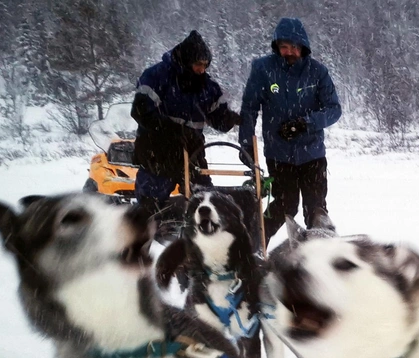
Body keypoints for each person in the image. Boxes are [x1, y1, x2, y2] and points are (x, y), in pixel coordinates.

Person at [238, 18, 341, 245]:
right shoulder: (263, 69)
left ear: (303, 47)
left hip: (312, 154)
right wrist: (246, 143)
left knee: (316, 210)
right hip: (279, 154)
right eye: (284, 47)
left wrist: (305, 123)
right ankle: (253, 245)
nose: (290, 52)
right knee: (285, 206)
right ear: (277, 47)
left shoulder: (317, 72)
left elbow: (334, 109)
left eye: (295, 47)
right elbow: (249, 108)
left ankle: (322, 254)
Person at [131, 30, 240, 221]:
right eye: (198, 65)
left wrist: (234, 119)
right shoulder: (157, 76)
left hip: (192, 152)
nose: (202, 70)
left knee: (204, 200)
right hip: (157, 152)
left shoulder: (207, 87)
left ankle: (200, 241)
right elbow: (141, 111)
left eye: (205, 65)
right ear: (186, 61)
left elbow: (218, 119)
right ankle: (141, 242)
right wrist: (171, 130)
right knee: (149, 207)